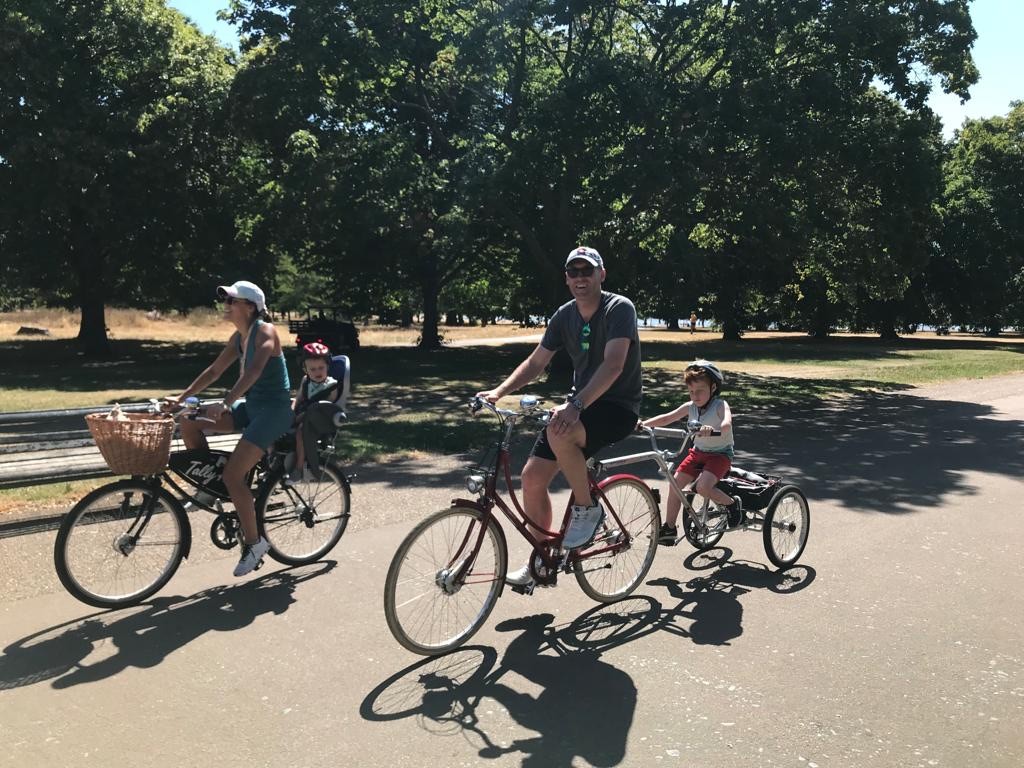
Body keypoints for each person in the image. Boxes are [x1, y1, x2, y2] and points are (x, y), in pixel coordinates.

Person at [477, 246, 642, 589]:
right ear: (567, 278)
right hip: (582, 404)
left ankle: (587, 509)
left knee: (560, 431)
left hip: (617, 406)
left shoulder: (619, 308)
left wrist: (575, 406)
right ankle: (542, 560)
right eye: (574, 272)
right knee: (533, 478)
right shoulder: (564, 315)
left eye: (587, 271)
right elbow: (537, 362)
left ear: (601, 274)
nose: (580, 278)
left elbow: (613, 365)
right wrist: (498, 392)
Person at [169, 280, 293, 577]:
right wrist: (179, 399)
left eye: (231, 301)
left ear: (249, 307)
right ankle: (211, 486)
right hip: (252, 407)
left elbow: (255, 371)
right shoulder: (240, 337)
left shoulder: (265, 331)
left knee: (234, 475)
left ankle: (254, 543)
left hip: (274, 412)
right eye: (225, 300)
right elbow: (213, 371)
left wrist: (226, 402)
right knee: (189, 420)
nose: (225, 306)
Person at [639, 359, 742, 545]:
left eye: (700, 390)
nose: (695, 395)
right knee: (675, 483)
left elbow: (727, 424)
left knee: (703, 487)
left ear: (713, 388)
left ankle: (732, 504)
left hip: (720, 455)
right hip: (698, 452)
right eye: (691, 391)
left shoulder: (720, 405)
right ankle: (669, 528)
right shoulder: (690, 407)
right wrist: (643, 424)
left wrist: (714, 428)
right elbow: (667, 418)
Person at [289, 341, 341, 482]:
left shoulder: (331, 385)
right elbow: (298, 399)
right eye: (313, 369)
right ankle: (274, 458)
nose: (317, 372)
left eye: (321, 368)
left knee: (300, 432)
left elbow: (327, 407)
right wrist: (291, 411)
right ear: (305, 370)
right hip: (304, 413)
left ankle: (299, 467)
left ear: (327, 366)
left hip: (320, 419)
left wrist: (301, 416)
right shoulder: (305, 381)